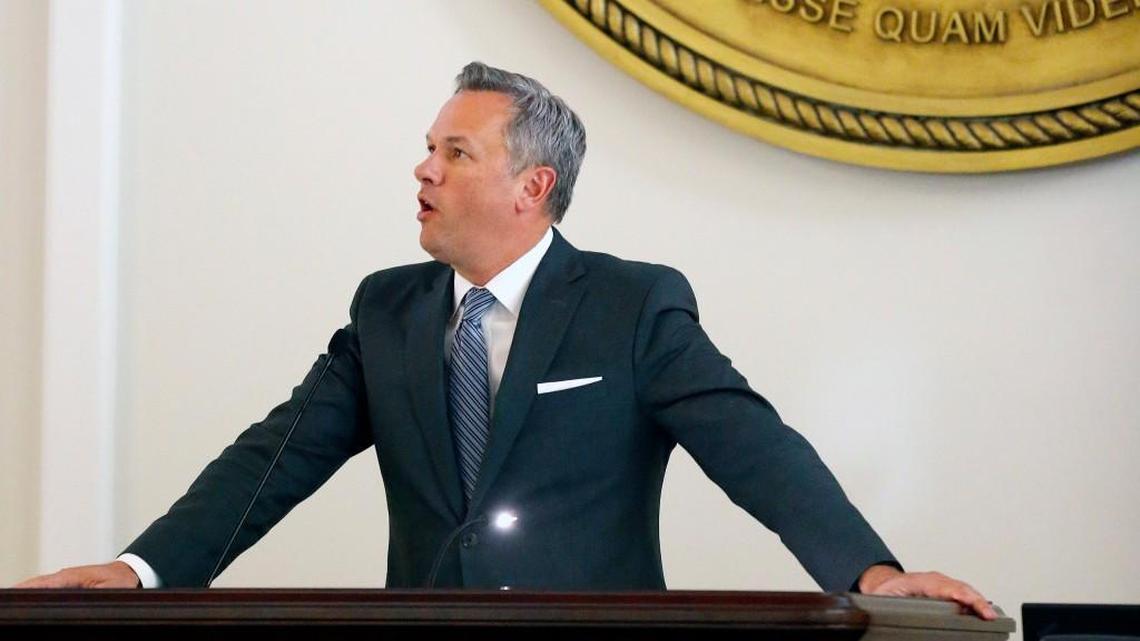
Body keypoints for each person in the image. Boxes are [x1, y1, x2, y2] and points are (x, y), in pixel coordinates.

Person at [16, 62, 997, 620]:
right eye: (428, 146)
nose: (423, 168)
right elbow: (270, 459)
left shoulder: (635, 304)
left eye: (455, 151)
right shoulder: (384, 311)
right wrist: (144, 569)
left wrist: (870, 572)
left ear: (533, 186)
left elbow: (755, 446)